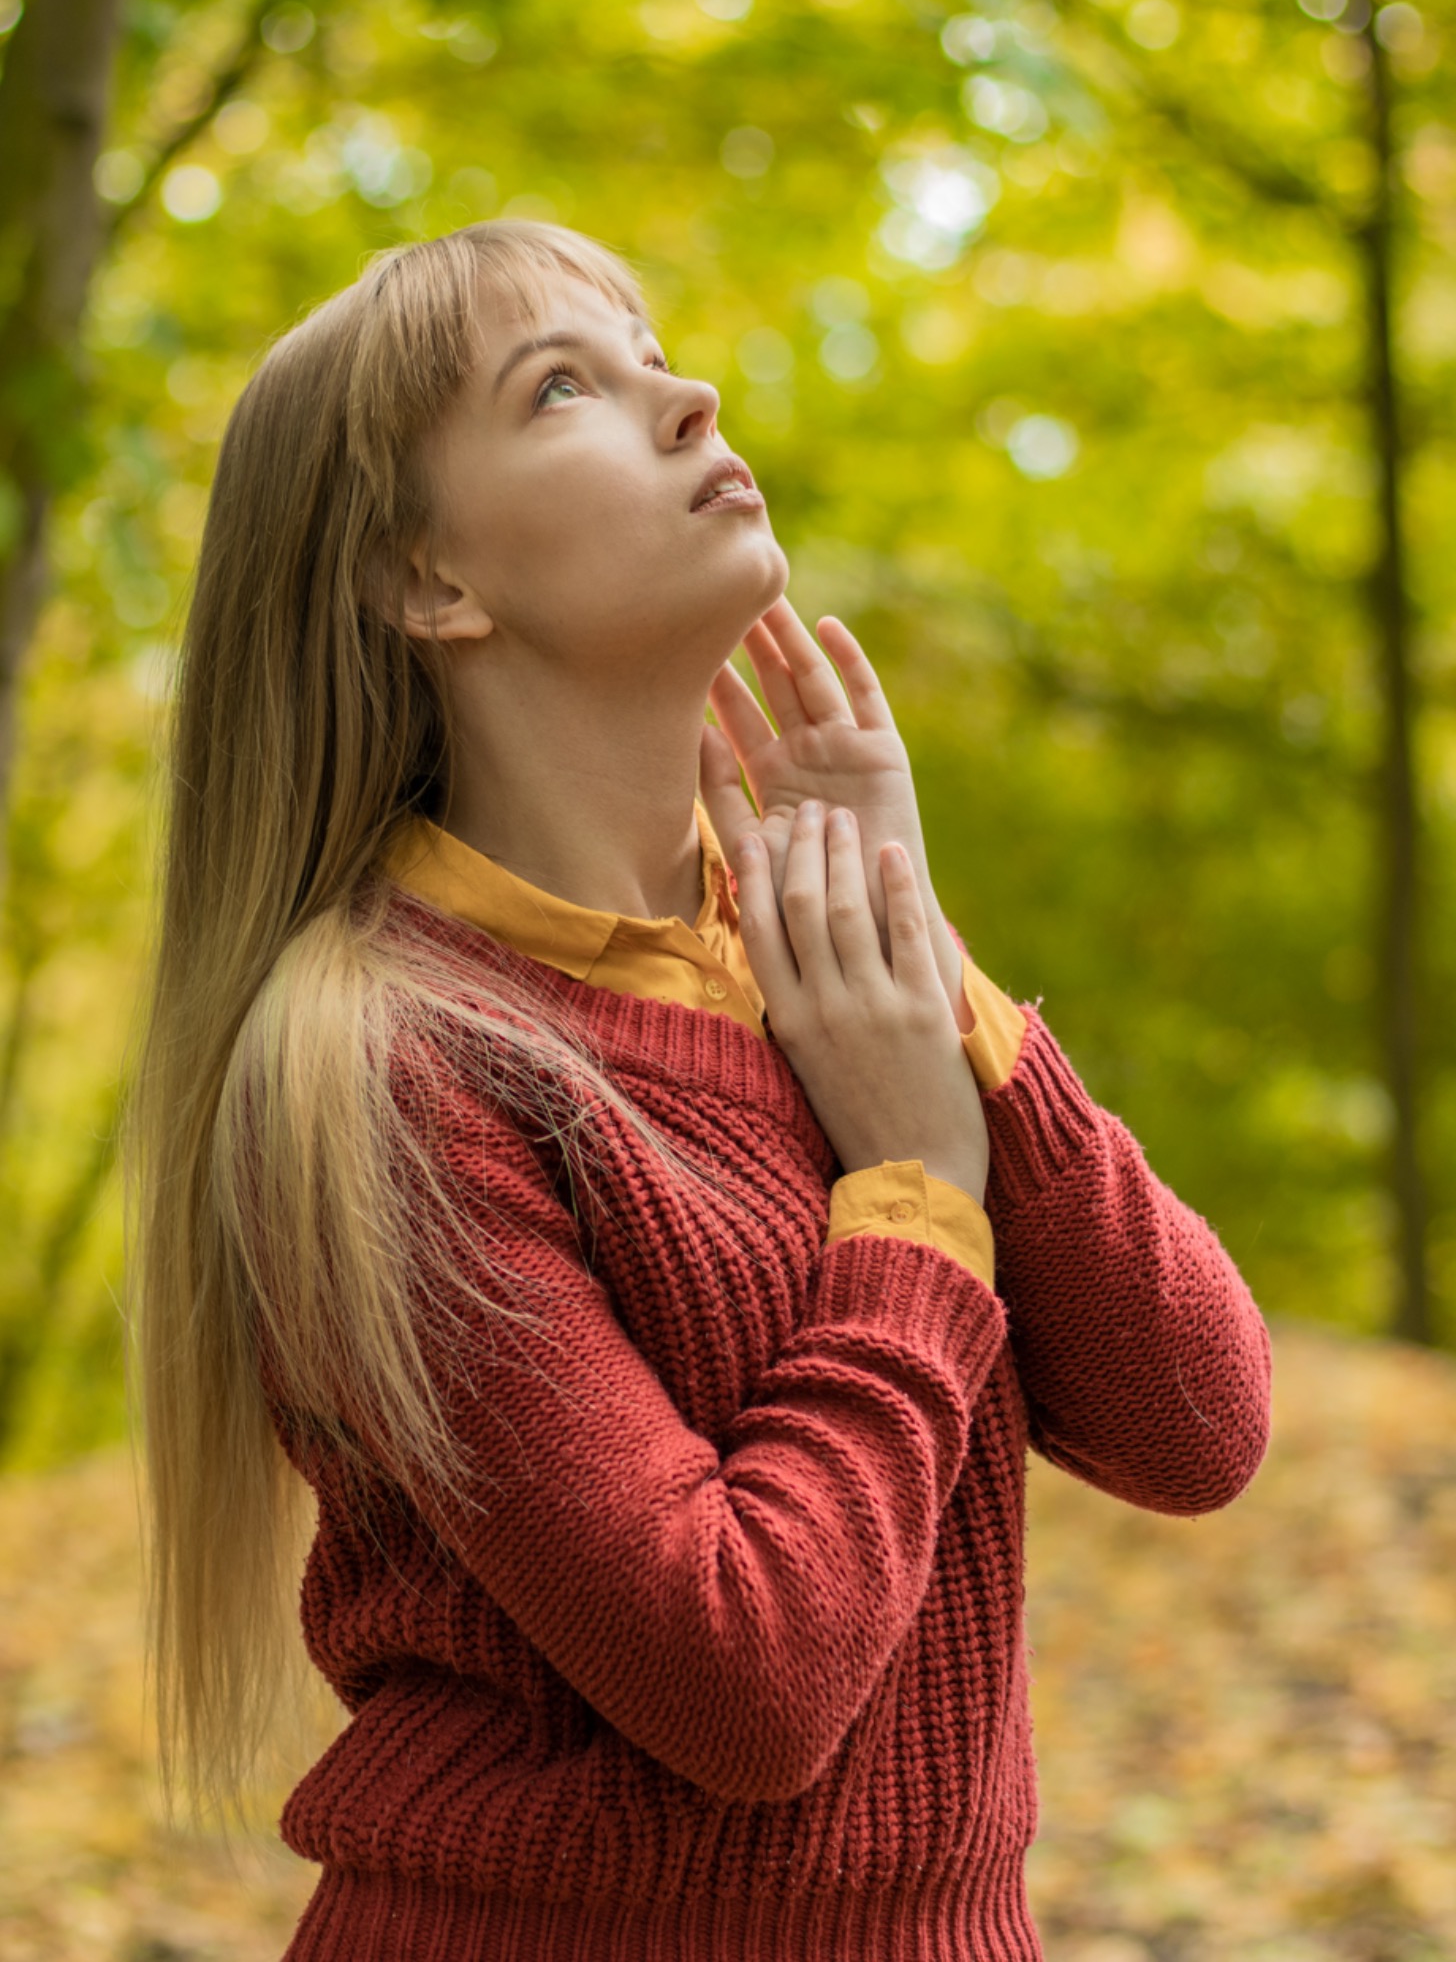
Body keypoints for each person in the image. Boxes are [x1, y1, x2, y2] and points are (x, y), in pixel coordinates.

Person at [127, 216, 1272, 1962]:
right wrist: (909, 1194)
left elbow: (1199, 1427)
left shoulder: (817, 982)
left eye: (652, 345)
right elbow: (749, 1679)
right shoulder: (375, 1064)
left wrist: (921, 961)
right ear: (430, 583)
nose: (690, 398)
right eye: (565, 385)